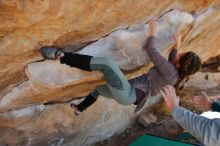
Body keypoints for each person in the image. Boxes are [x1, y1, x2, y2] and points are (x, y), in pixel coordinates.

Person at [40, 20, 201, 116]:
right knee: (98, 90)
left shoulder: (171, 72)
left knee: (107, 64)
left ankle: (61, 56)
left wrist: (153, 32)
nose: (179, 54)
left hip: (128, 93)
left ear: (181, 64)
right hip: (127, 96)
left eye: (182, 55)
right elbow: (172, 60)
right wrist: (177, 47)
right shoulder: (174, 74)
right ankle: (79, 109)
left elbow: (151, 49)